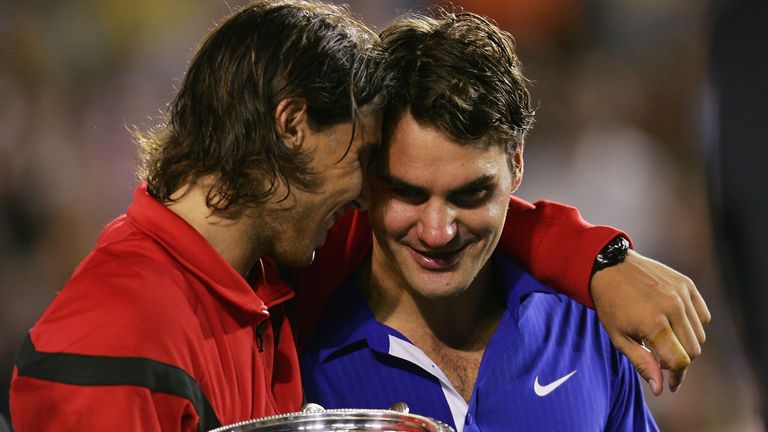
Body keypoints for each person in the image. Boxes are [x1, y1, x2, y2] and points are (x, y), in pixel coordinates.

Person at [9, 1, 706, 430]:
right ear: (292, 125)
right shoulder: (115, 335)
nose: (364, 195)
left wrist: (601, 262)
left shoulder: (268, 281)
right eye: (367, 159)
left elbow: (485, 222)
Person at [300, 11, 659, 431]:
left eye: (470, 194)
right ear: (365, 179)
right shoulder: (297, 349)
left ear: (517, 164)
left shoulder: (584, 330)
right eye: (408, 193)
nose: (438, 232)